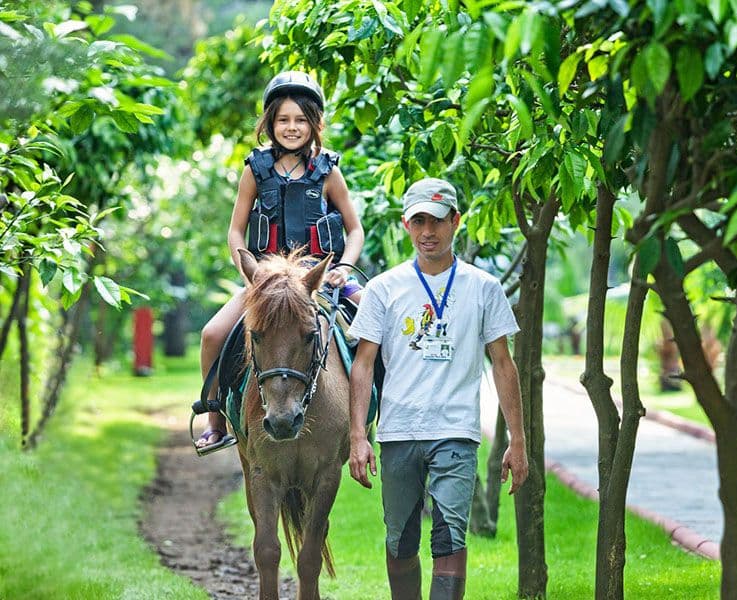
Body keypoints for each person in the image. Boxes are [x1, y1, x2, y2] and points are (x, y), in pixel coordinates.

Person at [347, 178, 528, 600]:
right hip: (399, 432)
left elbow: (503, 363)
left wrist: (518, 440)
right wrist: (358, 436)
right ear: (406, 225)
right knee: (400, 540)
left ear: (456, 222)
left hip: (456, 431)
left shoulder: (484, 288)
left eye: (438, 221)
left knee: (450, 538)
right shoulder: (383, 289)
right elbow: (363, 364)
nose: (428, 231)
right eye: (419, 221)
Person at [194, 71, 365, 454]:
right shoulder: (254, 170)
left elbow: (355, 230)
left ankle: (373, 417)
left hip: (319, 281)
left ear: (314, 123)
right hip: (267, 284)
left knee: (376, 324)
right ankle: (216, 420)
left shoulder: (328, 171)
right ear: (270, 123)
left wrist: (343, 267)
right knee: (211, 335)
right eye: (283, 120)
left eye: (300, 119)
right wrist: (250, 273)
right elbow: (236, 231)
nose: (292, 127)